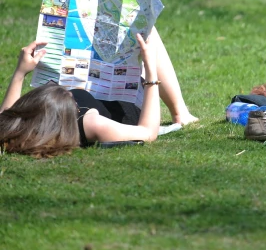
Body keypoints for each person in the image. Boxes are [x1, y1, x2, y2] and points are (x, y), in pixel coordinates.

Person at [1, 28, 198, 157]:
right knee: (147, 32)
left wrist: (20, 72)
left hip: (96, 90)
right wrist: (150, 68)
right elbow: (148, 132)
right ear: (72, 110)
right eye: (69, 96)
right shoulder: (92, 123)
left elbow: (7, 116)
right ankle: (180, 113)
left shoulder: (28, 124)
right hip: (128, 103)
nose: (69, 92)